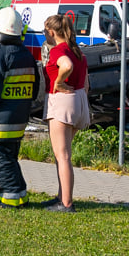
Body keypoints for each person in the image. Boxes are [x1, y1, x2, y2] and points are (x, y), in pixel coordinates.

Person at [0, 8, 39, 209]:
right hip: (19, 120)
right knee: (10, 159)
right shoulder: (27, 56)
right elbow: (35, 91)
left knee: (1, 161)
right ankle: (20, 195)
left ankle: (10, 200)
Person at [42, 14, 90, 213]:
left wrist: (59, 82)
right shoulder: (78, 51)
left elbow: (66, 66)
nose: (44, 34)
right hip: (79, 99)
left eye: (45, 31)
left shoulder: (58, 51)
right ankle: (62, 196)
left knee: (62, 156)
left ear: (52, 32)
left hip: (62, 101)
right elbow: (86, 84)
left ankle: (66, 203)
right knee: (64, 154)